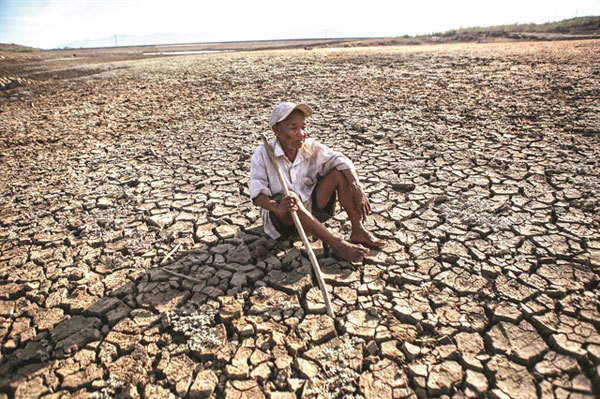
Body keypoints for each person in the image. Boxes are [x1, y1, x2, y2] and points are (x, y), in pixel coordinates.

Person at [249, 102, 385, 262]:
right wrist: (276, 207)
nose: (301, 133)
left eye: (303, 127)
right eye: (294, 128)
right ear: (276, 130)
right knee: (291, 196)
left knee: (340, 175)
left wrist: (357, 187)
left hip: (311, 210)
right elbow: (257, 194)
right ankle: (337, 244)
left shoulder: (310, 147)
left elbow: (341, 160)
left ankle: (358, 230)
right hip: (283, 219)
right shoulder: (263, 153)